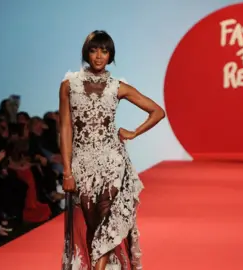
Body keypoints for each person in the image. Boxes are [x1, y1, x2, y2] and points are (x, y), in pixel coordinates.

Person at [60, 30, 165, 270]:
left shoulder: (117, 87)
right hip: (82, 161)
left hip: (112, 161)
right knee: (91, 221)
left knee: (107, 217)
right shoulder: (69, 86)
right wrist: (67, 171)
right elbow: (65, 129)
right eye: (94, 50)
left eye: (104, 51)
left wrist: (134, 132)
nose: (99, 56)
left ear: (111, 55)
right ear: (87, 53)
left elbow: (157, 111)